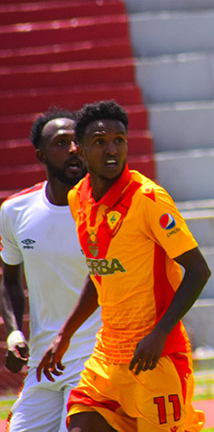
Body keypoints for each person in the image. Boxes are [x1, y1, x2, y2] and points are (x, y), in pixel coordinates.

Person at [37, 100, 210, 432]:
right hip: (108, 355)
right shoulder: (78, 198)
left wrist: (160, 333)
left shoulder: (148, 199)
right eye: (100, 142)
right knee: (80, 424)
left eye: (119, 140)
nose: (112, 149)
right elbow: (100, 271)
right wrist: (64, 334)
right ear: (80, 149)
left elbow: (199, 270)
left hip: (155, 355)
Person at [0, 109, 101, 432]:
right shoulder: (15, 211)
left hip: (95, 358)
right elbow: (9, 281)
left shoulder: (107, 208)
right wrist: (14, 332)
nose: (73, 149)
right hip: (43, 363)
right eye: (60, 143)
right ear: (41, 155)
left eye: (77, 141)